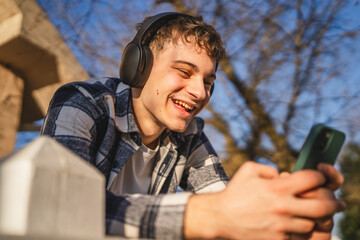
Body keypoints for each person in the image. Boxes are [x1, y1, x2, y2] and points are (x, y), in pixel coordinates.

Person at [41, 12, 345, 239]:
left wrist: (284, 220)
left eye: (208, 82)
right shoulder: (83, 103)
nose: (201, 93)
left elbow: (227, 204)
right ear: (138, 66)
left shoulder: (190, 136)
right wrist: (208, 216)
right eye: (185, 71)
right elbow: (62, 204)